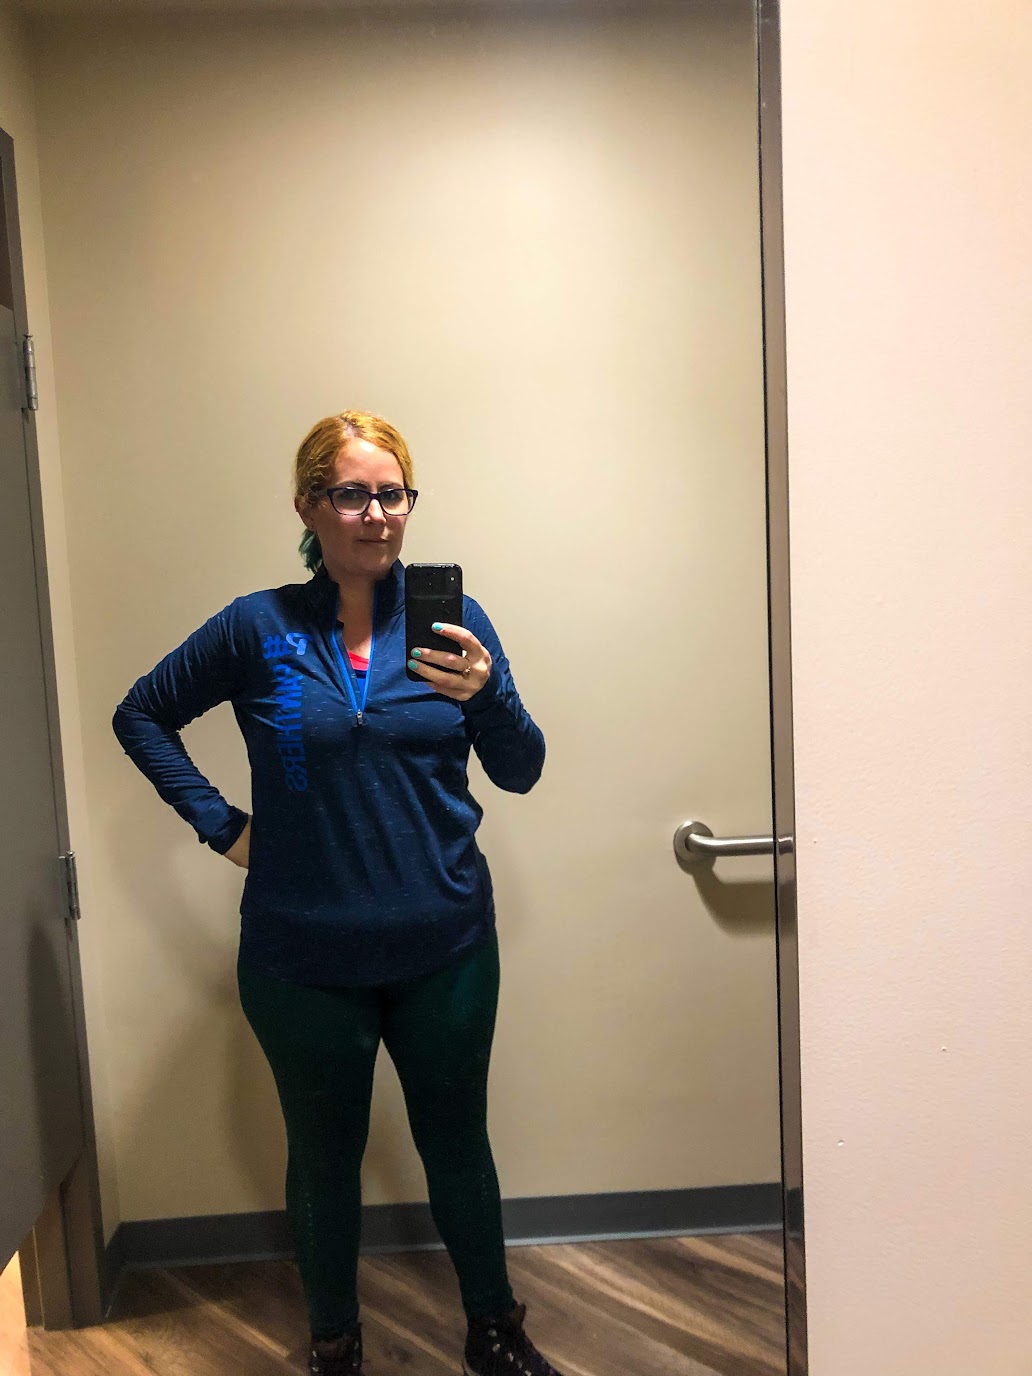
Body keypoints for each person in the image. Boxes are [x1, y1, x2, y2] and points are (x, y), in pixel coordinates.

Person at [112, 410, 560, 1376]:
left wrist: (487, 694)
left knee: (458, 1143)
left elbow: (521, 770)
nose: (376, 514)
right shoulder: (256, 626)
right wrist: (224, 827)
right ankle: (334, 1345)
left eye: (393, 494)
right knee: (322, 1158)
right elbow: (140, 712)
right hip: (302, 956)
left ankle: (494, 1331)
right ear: (309, 507)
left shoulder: (455, 624)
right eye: (352, 494)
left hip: (445, 946)